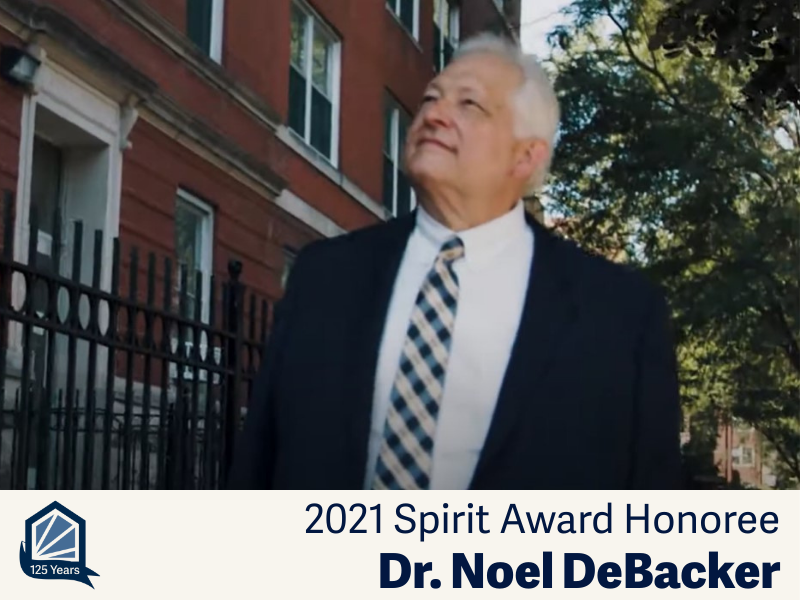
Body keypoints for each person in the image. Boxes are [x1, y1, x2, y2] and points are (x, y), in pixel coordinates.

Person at [228, 33, 682, 490]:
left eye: (470, 104)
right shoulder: (323, 277)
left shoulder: (621, 316)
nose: (434, 115)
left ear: (526, 156)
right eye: (430, 98)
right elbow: (257, 471)